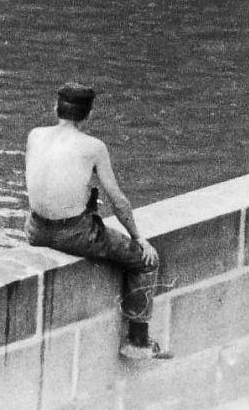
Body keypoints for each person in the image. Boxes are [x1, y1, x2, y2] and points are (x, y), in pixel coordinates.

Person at [25, 82, 166, 361]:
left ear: (55, 108)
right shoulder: (93, 147)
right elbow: (118, 200)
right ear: (89, 114)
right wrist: (138, 238)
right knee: (144, 262)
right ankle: (138, 341)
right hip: (74, 235)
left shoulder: (35, 135)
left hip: (35, 230)